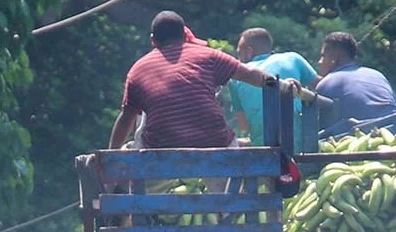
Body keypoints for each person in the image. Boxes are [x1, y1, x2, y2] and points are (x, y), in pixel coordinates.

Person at [110, 11, 273, 149]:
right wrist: (279, 85)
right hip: (214, 143)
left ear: (153, 40)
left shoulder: (137, 69)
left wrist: (110, 155)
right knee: (227, 177)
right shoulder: (208, 55)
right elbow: (250, 74)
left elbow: (126, 118)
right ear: (184, 35)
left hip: (160, 149)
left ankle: (125, 187)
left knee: (141, 173)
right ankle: (228, 186)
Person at [224, 27, 318, 147]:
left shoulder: (237, 78)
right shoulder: (292, 58)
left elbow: (244, 126)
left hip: (264, 152)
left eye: (239, 53)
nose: (238, 59)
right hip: (300, 147)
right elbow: (321, 85)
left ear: (249, 51)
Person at [314, 31, 396, 138]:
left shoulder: (327, 83)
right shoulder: (377, 75)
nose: (319, 62)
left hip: (365, 138)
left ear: (334, 58)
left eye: (323, 56)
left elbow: (319, 131)